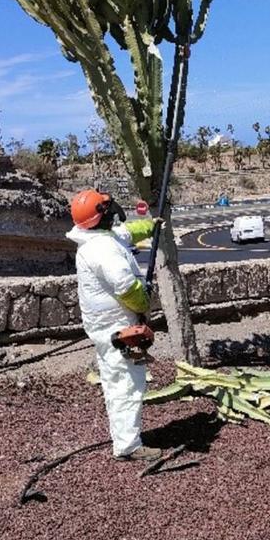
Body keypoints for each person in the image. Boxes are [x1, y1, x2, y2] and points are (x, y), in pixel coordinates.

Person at [66, 189, 163, 462]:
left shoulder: (99, 235)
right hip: (116, 328)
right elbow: (125, 286)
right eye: (106, 208)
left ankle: (125, 438)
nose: (113, 211)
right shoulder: (101, 249)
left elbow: (127, 232)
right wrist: (144, 301)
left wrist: (152, 225)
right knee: (125, 385)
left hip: (110, 325)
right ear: (101, 215)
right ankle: (128, 446)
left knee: (118, 381)